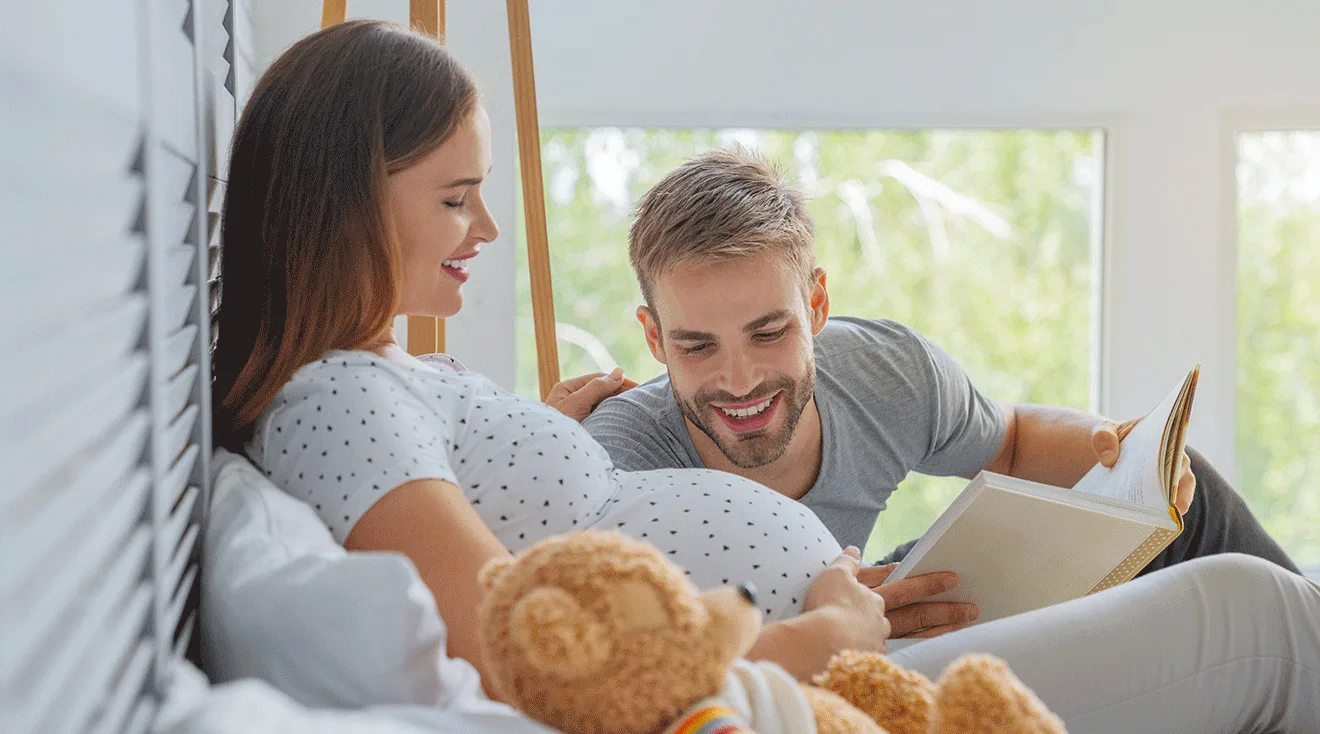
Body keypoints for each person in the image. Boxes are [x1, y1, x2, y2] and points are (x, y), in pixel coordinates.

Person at [211, 21, 1320, 732]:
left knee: (1212, 543)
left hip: (843, 642)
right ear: (348, 196)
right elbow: (531, 663)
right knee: (1254, 614)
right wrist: (822, 632)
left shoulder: (389, 378)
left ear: (817, 310)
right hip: (807, 683)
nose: (487, 225)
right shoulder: (342, 401)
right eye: (456, 196)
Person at [582, 148, 1303, 637]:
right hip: (803, 649)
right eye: (696, 346)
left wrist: (1118, 448)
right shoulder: (618, 460)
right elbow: (632, 659)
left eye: (768, 333)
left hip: (876, 597)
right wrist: (825, 620)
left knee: (1187, 489)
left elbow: (1012, 440)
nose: (738, 381)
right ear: (653, 339)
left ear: (818, 307)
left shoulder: (883, 370)